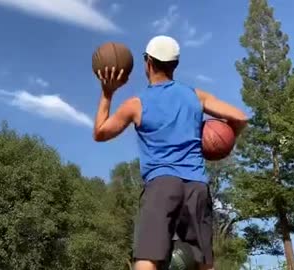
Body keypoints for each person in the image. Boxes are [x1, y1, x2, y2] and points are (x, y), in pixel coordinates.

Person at [92, 35, 247, 270]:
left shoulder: (136, 103)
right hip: (196, 185)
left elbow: (100, 132)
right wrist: (223, 142)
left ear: (148, 63)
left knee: (147, 259)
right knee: (204, 263)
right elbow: (240, 117)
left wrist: (107, 93)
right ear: (174, 64)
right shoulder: (195, 96)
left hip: (161, 184)